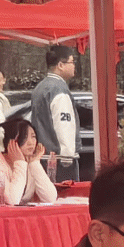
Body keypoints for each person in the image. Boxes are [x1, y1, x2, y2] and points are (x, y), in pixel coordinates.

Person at [29, 43, 80, 183]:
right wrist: (68, 156)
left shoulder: (40, 88)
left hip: (42, 156)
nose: (74, 66)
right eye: (72, 62)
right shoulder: (59, 90)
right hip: (59, 160)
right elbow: (64, 124)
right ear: (60, 65)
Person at [0, 118, 60, 207]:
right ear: (11, 141)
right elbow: (12, 200)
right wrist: (20, 163)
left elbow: (50, 198)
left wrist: (35, 163)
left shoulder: (30, 162)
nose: (31, 143)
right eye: (24, 137)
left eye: (33, 137)